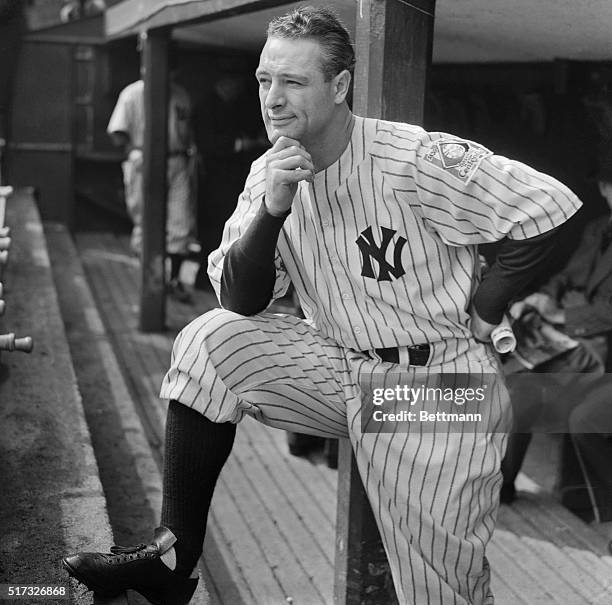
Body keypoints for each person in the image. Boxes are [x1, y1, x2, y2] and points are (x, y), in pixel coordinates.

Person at [62, 7, 581, 604]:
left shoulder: (412, 157)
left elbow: (554, 209)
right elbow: (240, 298)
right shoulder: (269, 172)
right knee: (210, 340)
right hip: (341, 367)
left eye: (293, 82)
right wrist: (273, 209)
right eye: (265, 80)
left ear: (339, 87)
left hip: (435, 387)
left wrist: (489, 306)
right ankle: (172, 561)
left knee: (439, 593)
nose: (273, 99)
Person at [501, 152, 612, 521]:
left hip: (598, 347)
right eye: (606, 184)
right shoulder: (598, 228)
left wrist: (562, 314)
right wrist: (542, 298)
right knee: (518, 391)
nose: (609, 191)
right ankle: (499, 487)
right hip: (568, 335)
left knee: (528, 385)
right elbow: (566, 276)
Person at [107, 58, 198, 303]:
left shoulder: (181, 95)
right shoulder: (133, 92)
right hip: (143, 158)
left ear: (173, 70)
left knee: (180, 223)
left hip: (177, 160)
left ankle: (174, 279)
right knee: (144, 219)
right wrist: (132, 151)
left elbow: (187, 130)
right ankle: (147, 282)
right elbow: (117, 131)